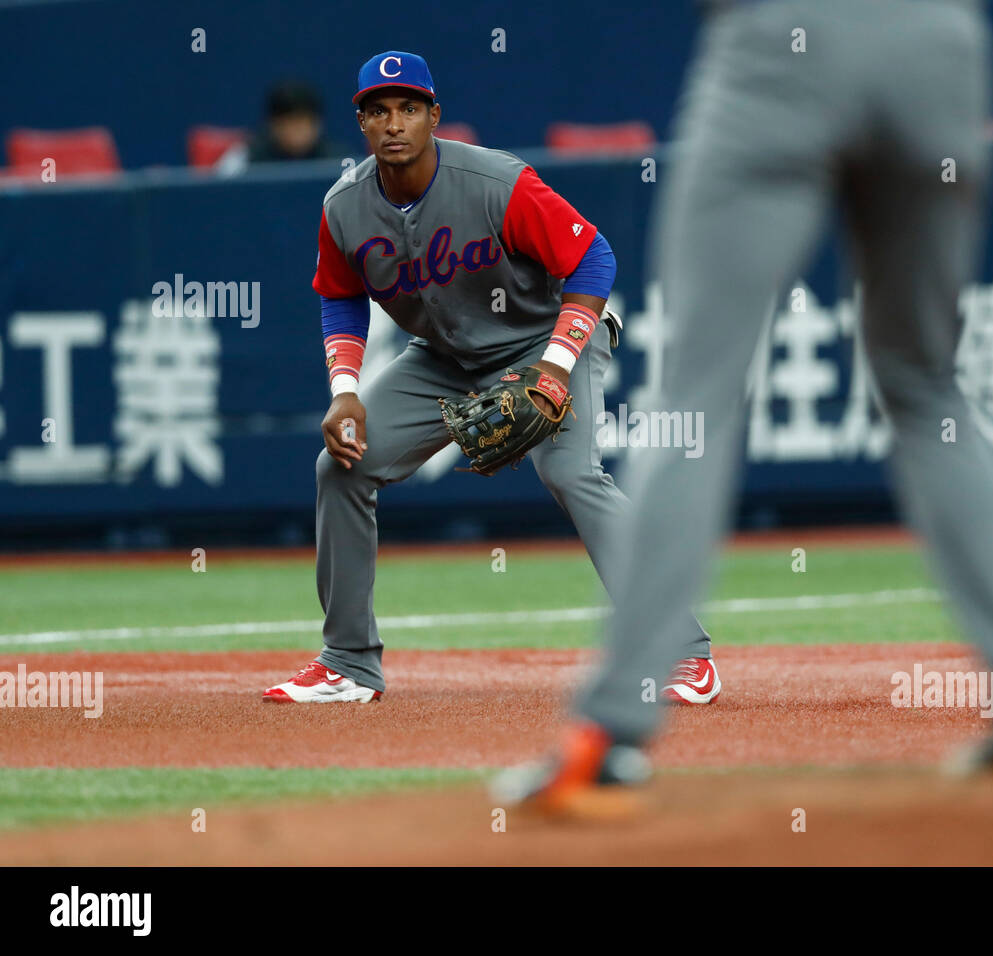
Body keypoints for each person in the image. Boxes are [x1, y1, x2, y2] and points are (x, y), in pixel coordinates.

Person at [496, 0, 993, 818]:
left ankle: (609, 740)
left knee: (698, 396)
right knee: (928, 387)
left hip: (781, 41)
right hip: (938, 45)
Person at [263, 51, 719, 705]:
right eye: (380, 110)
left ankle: (684, 651)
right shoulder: (344, 207)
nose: (395, 123)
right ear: (361, 123)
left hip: (545, 339)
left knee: (569, 472)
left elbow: (592, 258)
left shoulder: (495, 181)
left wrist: (556, 369)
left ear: (433, 117)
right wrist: (344, 393)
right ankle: (349, 664)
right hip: (443, 357)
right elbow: (339, 296)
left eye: (410, 108)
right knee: (341, 466)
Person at [216, 80, 350, 175]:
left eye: (304, 123)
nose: (298, 132)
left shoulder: (340, 161)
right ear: (273, 125)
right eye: (289, 123)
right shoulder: (244, 158)